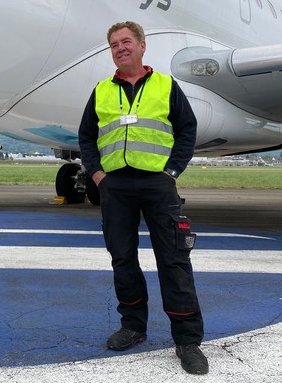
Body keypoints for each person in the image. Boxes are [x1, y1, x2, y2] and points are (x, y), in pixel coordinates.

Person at [78, 21, 208, 375]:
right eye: (114, 44)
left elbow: (187, 130)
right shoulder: (102, 90)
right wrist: (98, 174)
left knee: (174, 260)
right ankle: (133, 326)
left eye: (126, 41)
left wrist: (172, 171)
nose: (120, 48)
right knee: (122, 258)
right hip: (115, 186)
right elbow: (86, 136)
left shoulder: (166, 86)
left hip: (157, 184)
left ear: (142, 46)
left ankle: (187, 340)